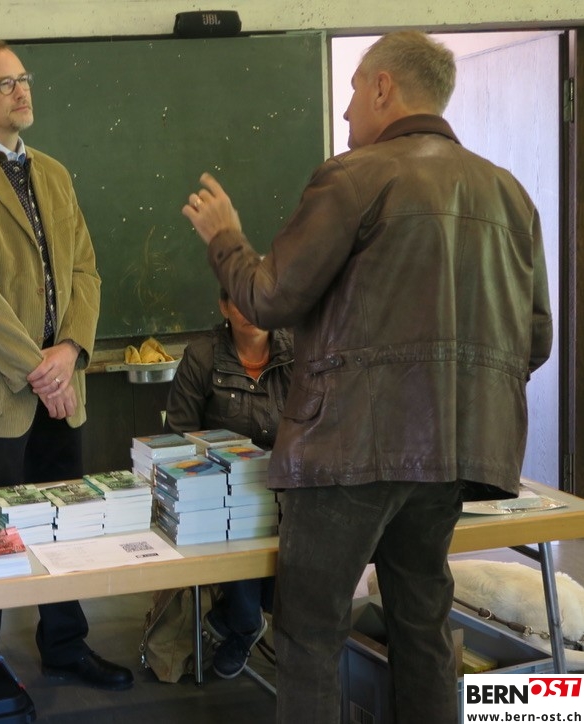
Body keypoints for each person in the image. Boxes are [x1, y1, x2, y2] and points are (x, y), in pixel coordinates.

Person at [182, 31, 551, 723]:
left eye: (354, 90)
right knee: (422, 622)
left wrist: (225, 237)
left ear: (384, 87)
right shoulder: (509, 193)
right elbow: (535, 341)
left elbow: (267, 299)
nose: (348, 111)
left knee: (309, 632)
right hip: (456, 454)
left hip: (348, 452)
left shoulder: (352, 177)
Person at [0, 39, 132, 691]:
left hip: (62, 385)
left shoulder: (55, 174)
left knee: (62, 523)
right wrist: (38, 370)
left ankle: (64, 645)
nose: (21, 90)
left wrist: (70, 352)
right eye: (4, 83)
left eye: (23, 79)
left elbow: (85, 271)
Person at [164, 286, 292, 679]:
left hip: (289, 487)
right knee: (236, 521)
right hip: (223, 493)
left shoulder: (300, 351)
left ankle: (236, 616)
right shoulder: (203, 356)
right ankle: (246, 621)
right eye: (240, 298)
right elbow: (178, 435)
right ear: (223, 306)